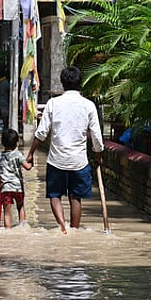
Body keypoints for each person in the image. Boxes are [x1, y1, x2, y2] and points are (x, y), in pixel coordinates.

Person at [26, 66, 104, 235]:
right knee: (76, 197)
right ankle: (74, 231)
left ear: (63, 83)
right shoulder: (88, 105)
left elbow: (41, 133)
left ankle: (63, 227)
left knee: (55, 196)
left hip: (57, 160)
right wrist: (98, 156)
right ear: (79, 83)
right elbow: (97, 137)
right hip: (79, 161)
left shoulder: (53, 103)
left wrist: (30, 154)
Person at [0, 129, 33, 228]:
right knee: (21, 207)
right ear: (17, 143)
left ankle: (8, 231)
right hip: (18, 188)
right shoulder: (18, 155)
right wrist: (31, 163)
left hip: (5, 189)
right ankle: (22, 227)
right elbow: (27, 167)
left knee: (7, 213)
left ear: (2, 142)